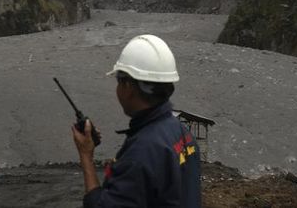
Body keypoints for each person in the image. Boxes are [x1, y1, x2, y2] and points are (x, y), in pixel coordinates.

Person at [71, 34, 202, 208]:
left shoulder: (140, 155)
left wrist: (86, 156)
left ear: (128, 87)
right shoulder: (181, 132)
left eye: (119, 80)